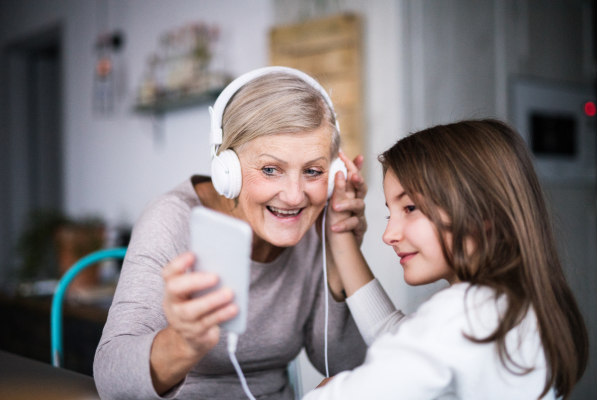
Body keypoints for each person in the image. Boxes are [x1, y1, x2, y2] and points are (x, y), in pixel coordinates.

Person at [94, 67, 369, 399]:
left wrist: (341, 256)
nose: (295, 196)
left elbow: (347, 365)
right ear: (228, 171)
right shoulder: (170, 220)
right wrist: (183, 343)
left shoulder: (317, 227)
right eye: (271, 169)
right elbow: (110, 377)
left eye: (313, 171)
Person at [304, 119, 589, 400]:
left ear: (482, 212)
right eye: (392, 213)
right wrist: (339, 234)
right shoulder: (513, 305)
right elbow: (392, 334)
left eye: (411, 208)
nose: (389, 234)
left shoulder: (465, 313)